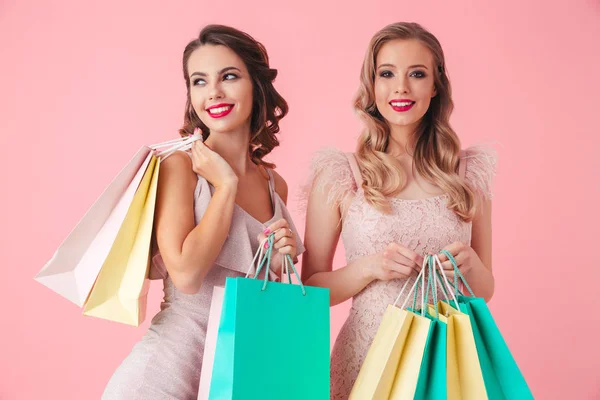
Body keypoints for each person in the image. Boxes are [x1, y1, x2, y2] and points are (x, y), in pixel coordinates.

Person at [103, 24, 304, 399]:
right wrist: (224, 186)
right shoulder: (179, 167)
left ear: (256, 87)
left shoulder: (276, 186)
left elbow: (262, 297)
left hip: (236, 377)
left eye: (229, 76)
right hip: (165, 374)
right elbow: (187, 275)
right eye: (199, 81)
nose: (213, 92)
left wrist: (279, 261)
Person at [300, 21, 496, 399]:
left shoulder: (469, 174)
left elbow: (485, 290)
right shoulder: (342, 174)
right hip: (366, 360)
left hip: (444, 365)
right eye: (386, 74)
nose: (401, 87)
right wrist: (368, 268)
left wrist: (470, 264)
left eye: (417, 74)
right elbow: (311, 290)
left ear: (436, 85)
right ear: (372, 86)